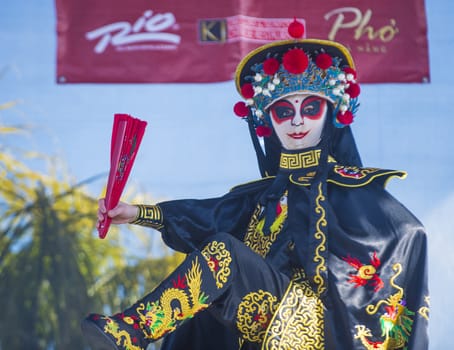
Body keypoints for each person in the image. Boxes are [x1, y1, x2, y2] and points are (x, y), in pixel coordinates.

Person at [81, 19, 429, 350]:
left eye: (310, 108)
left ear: (331, 113)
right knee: (199, 308)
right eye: (282, 111)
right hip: (265, 317)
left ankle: (132, 331)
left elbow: (411, 234)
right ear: (267, 120)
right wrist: (135, 213)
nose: (296, 121)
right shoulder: (261, 196)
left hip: (319, 329)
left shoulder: (354, 188)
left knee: (224, 253)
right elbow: (208, 215)